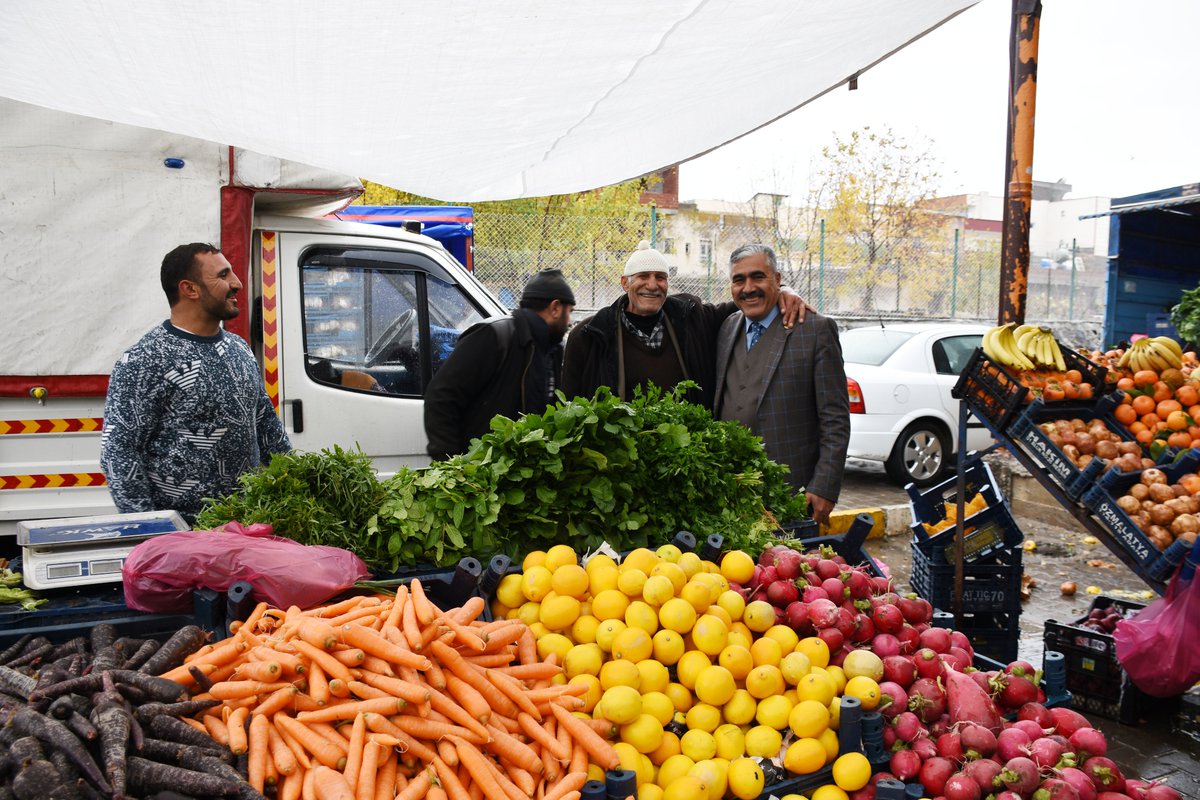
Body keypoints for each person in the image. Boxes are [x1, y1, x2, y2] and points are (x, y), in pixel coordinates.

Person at [100, 243, 291, 521]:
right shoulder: (146, 358)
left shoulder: (239, 349)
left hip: (248, 527)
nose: (237, 283)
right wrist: (151, 533)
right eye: (223, 275)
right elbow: (120, 450)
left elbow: (268, 430)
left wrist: (295, 489)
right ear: (190, 289)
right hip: (185, 538)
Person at [561, 241, 807, 409]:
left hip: (682, 459)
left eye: (660, 277)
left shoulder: (691, 318)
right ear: (625, 283)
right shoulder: (590, 336)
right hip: (619, 465)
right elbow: (570, 407)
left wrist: (783, 289)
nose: (652, 284)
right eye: (643, 276)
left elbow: (744, 300)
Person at [713, 243, 850, 524]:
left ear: (777, 279)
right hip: (730, 493)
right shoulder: (727, 327)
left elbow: (835, 418)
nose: (748, 288)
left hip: (790, 493)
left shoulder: (815, 330)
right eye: (739, 280)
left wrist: (824, 485)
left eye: (758, 277)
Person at [423, 268, 575, 459]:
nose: (569, 321)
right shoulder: (493, 336)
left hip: (521, 473)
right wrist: (451, 462)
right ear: (555, 308)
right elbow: (441, 395)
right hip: (481, 472)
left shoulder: (552, 350)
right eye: (569, 312)